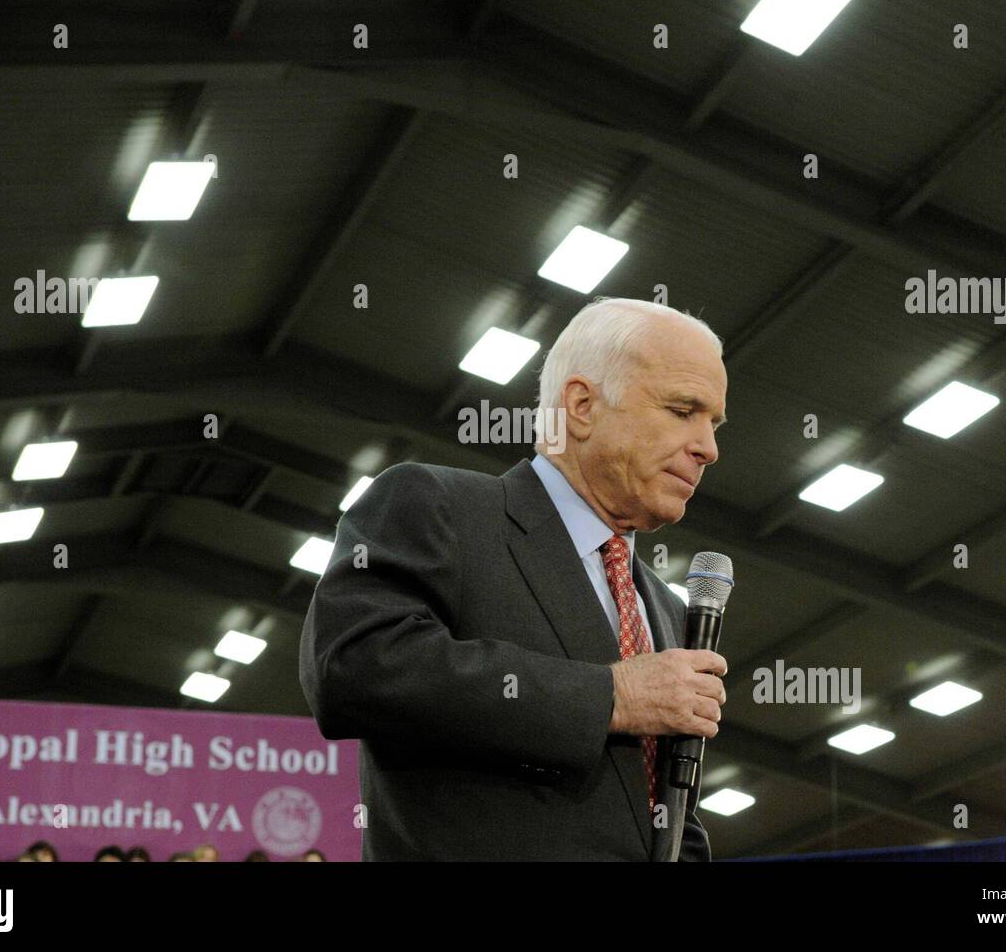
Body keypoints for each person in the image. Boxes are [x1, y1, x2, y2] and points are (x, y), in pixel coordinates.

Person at [300, 297, 729, 861]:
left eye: (714, 423)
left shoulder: (667, 610)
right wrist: (609, 696)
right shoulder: (437, 506)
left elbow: (669, 814)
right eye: (682, 410)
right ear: (581, 405)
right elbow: (353, 667)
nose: (709, 448)